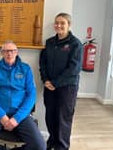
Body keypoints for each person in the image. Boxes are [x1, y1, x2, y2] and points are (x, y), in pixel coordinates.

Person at [0, 40, 46, 150]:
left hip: (20, 112)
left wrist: (17, 118)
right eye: (6, 51)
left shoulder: (26, 69)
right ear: (2, 53)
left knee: (40, 146)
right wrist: (2, 115)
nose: (9, 53)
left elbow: (31, 95)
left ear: (17, 52)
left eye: (12, 51)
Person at [39, 13, 83, 150]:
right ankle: (52, 141)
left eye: (62, 23)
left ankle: (62, 146)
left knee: (63, 118)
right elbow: (43, 63)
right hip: (49, 86)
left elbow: (74, 69)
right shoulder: (50, 42)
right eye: (57, 22)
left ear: (69, 25)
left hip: (67, 88)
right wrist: (45, 80)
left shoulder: (76, 44)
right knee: (50, 115)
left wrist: (55, 83)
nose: (59, 25)